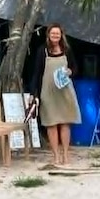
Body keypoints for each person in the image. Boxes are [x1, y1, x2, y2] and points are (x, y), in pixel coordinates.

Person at [30, 23, 81, 165]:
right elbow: (37, 73)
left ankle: (65, 155)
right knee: (51, 124)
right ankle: (55, 156)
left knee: (65, 123)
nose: (55, 36)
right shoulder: (43, 51)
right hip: (48, 92)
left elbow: (75, 68)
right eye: (53, 34)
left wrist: (70, 72)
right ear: (48, 35)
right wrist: (34, 92)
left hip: (64, 91)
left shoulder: (67, 50)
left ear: (61, 35)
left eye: (57, 34)